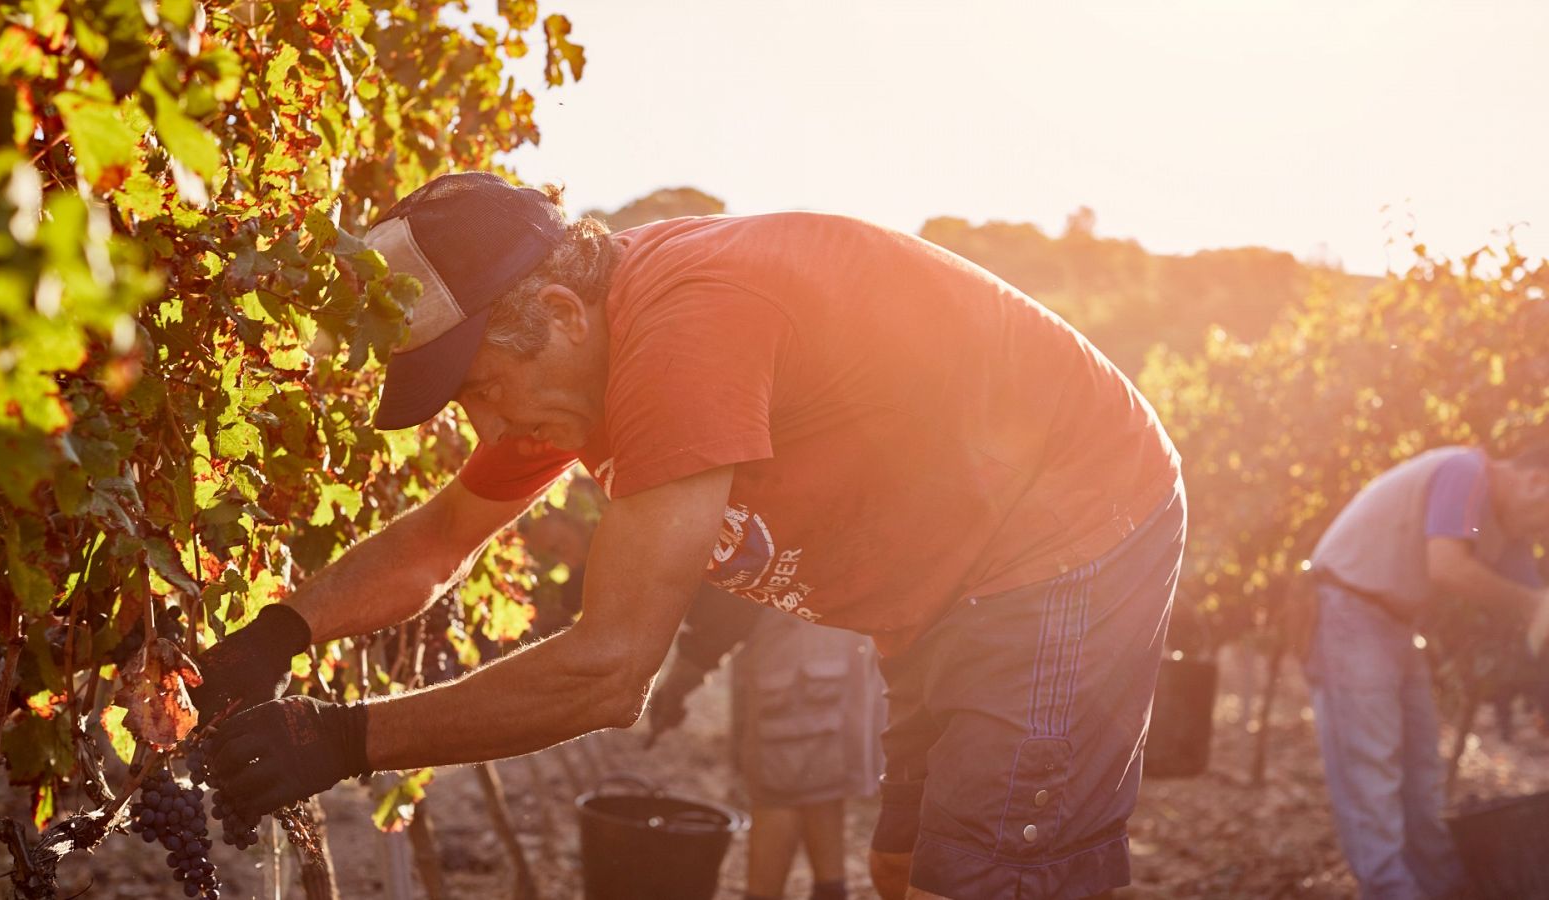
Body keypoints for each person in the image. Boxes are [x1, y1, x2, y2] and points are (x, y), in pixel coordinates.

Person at [193, 172, 1185, 900]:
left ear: (555, 311)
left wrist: (344, 738)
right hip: (948, 589)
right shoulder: (576, 363)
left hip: (1064, 538)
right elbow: (439, 539)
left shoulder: (685, 332)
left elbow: (608, 671)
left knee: (989, 879)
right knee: (906, 867)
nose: (485, 433)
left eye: (481, 391)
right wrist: (276, 635)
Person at [1304, 443, 1549, 900]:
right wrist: (1535, 604)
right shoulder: (1466, 471)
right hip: (1349, 609)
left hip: (1396, 624)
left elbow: (1536, 628)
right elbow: (1448, 568)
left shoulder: (1507, 530)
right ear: (1537, 482)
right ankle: (1391, 891)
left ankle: (1443, 888)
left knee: (1421, 769)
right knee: (1371, 769)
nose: (1544, 532)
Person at [648, 588, 886, 900]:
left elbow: (722, 617)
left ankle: (766, 894)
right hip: (833, 636)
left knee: (778, 787)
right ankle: (831, 891)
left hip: (799, 645)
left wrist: (677, 685)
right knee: (818, 778)